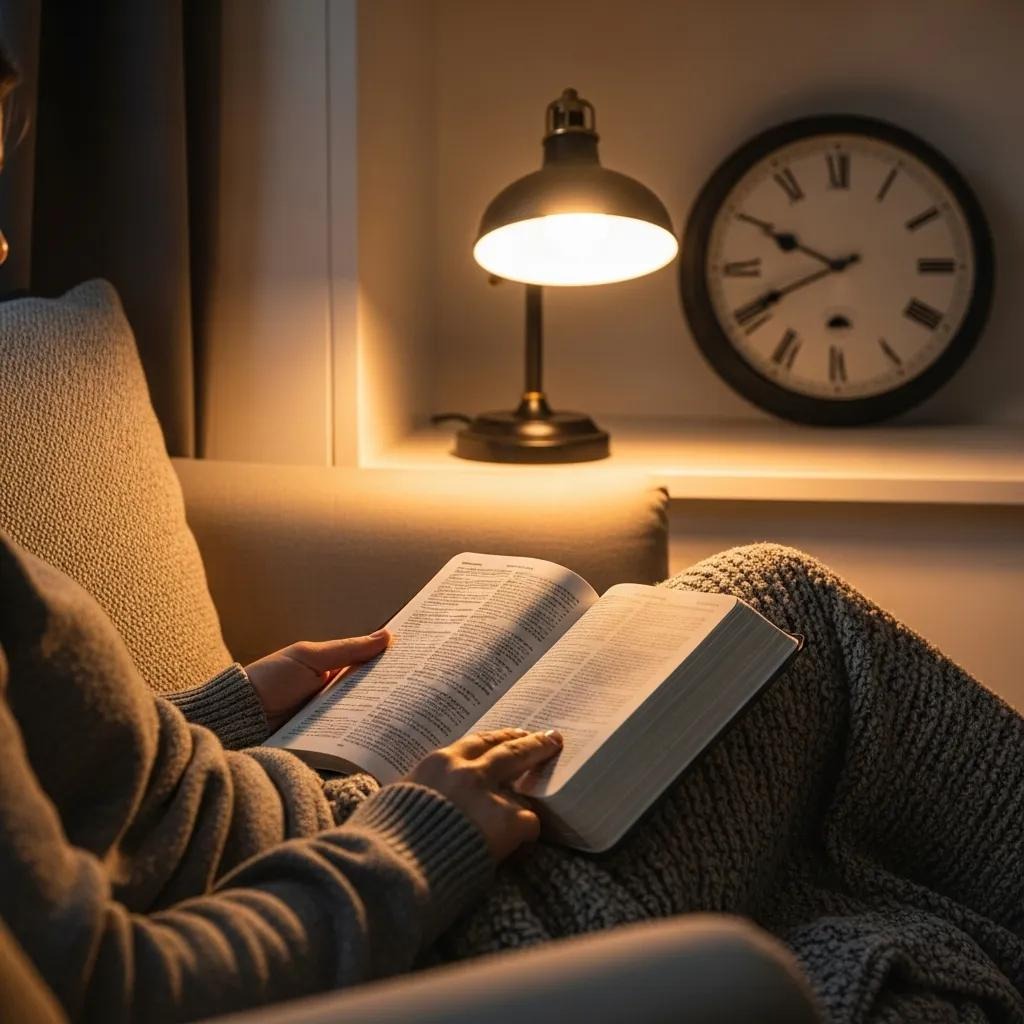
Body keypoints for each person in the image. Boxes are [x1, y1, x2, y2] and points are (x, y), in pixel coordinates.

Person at [4, 47, 1024, 1024]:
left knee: (769, 654)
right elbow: (113, 993)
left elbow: (65, 784)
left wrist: (224, 707)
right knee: (790, 614)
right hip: (407, 924)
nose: (4, 241)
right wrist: (422, 836)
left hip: (319, 819)